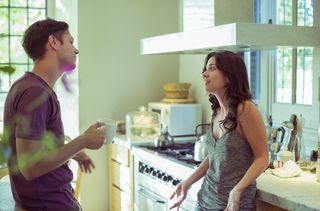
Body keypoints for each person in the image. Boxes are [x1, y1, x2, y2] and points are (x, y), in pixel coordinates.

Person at [3, 18, 106, 210]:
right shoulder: (35, 92)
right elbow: (31, 167)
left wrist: (73, 152)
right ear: (54, 42)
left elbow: (34, 150)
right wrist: (82, 141)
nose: (76, 50)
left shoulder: (27, 87)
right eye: (71, 41)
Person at [169, 51, 268, 211]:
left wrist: (238, 189)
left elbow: (262, 157)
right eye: (205, 69)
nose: (204, 74)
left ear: (229, 76)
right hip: (204, 201)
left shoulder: (246, 109)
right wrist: (187, 182)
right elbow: (214, 156)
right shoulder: (217, 111)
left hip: (232, 206)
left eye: (212, 68)